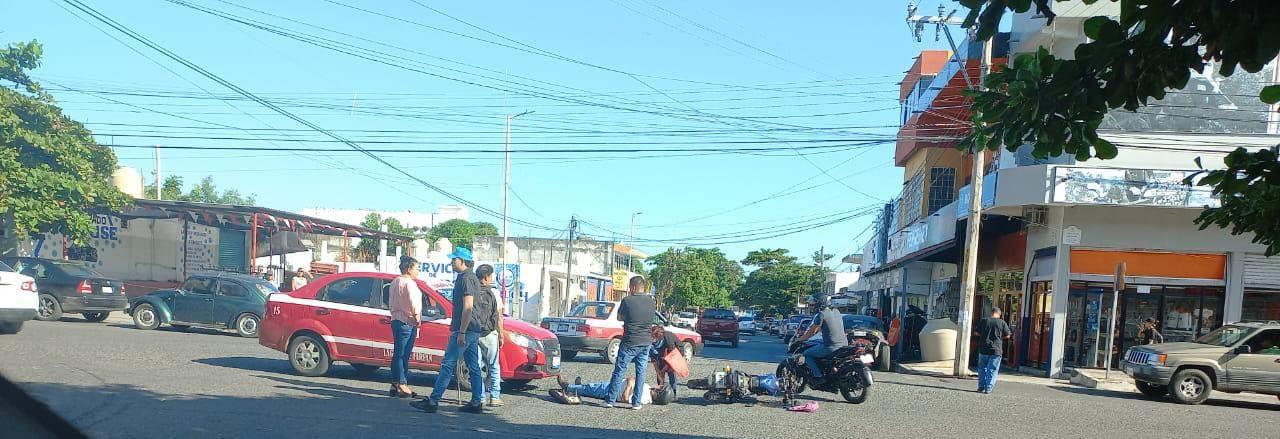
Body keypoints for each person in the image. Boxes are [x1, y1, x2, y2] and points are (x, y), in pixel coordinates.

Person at [411, 248, 489, 414]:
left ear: (462, 261)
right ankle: (477, 401)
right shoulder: (469, 277)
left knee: (448, 364)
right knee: (473, 366)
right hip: (472, 328)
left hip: (466, 329)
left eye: (454, 260)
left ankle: (433, 400)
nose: (451, 262)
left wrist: (461, 331)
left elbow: (468, 306)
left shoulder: (467, 278)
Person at [603, 275, 656, 410]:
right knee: (641, 372)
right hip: (646, 342)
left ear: (632, 287)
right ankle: (636, 403)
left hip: (630, 341)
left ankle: (610, 400)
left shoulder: (627, 300)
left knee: (620, 370)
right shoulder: (651, 301)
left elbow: (620, 317)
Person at [792, 293, 846, 384]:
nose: (811, 306)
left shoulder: (821, 314)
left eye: (813, 303)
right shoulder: (837, 311)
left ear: (820, 303)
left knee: (806, 354)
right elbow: (824, 328)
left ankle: (818, 376)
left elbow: (812, 332)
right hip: (844, 345)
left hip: (831, 347)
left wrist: (799, 339)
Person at [388, 256, 422, 398]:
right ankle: (401, 383)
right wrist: (417, 319)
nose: (418, 271)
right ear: (409, 269)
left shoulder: (395, 282)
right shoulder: (410, 284)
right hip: (407, 321)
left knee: (398, 353)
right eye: (416, 268)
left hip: (396, 319)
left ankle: (395, 383)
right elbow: (414, 304)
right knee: (403, 354)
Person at [473, 264, 505, 407]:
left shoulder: (471, 291)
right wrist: (501, 334)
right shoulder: (494, 293)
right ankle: (495, 396)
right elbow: (498, 316)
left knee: (477, 366)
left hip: (474, 333)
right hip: (490, 333)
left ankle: (480, 397)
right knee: (493, 365)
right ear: (486, 277)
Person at [549, 374, 672, 406]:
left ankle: (567, 387)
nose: (658, 385)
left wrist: (629, 384)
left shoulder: (644, 398)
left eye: (660, 387)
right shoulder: (647, 389)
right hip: (614, 385)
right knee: (592, 386)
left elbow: (625, 399)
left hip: (612, 391)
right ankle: (578, 388)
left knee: (592, 388)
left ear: (659, 393)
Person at [974, 307, 1012, 394]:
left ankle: (981, 387)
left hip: (983, 348)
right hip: (996, 350)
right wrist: (999, 338)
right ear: (999, 314)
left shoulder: (984, 320)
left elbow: (976, 332)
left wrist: (984, 335)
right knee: (992, 369)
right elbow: (1008, 335)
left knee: (982, 368)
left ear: (991, 313)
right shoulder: (1002, 322)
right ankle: (989, 388)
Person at [648, 324, 684, 394]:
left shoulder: (668, 338)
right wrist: (659, 372)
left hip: (674, 354)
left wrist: (664, 369)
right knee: (660, 372)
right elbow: (654, 360)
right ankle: (660, 391)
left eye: (654, 338)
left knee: (671, 372)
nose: (652, 339)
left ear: (659, 336)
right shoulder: (650, 345)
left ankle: (673, 392)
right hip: (662, 355)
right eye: (651, 337)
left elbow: (671, 357)